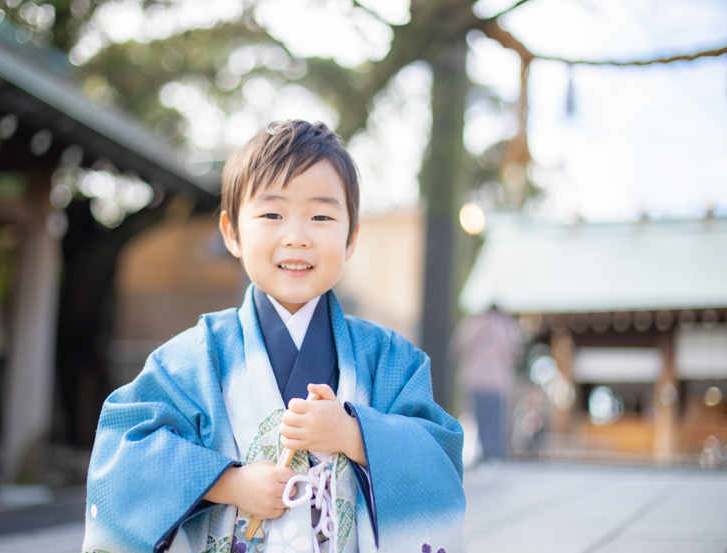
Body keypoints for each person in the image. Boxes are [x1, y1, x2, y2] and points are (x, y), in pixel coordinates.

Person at [82, 120, 467, 553]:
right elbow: (125, 452)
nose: (297, 237)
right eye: (272, 214)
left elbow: (440, 457)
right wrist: (229, 484)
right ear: (232, 233)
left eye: (321, 216)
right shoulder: (193, 358)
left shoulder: (392, 359)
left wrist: (355, 435)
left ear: (351, 237)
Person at [454, 305, 518, 461]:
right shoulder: (503, 327)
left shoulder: (471, 324)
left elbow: (457, 347)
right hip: (494, 381)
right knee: (491, 421)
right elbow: (512, 352)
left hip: (478, 380)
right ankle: (492, 455)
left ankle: (490, 454)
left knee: (483, 420)